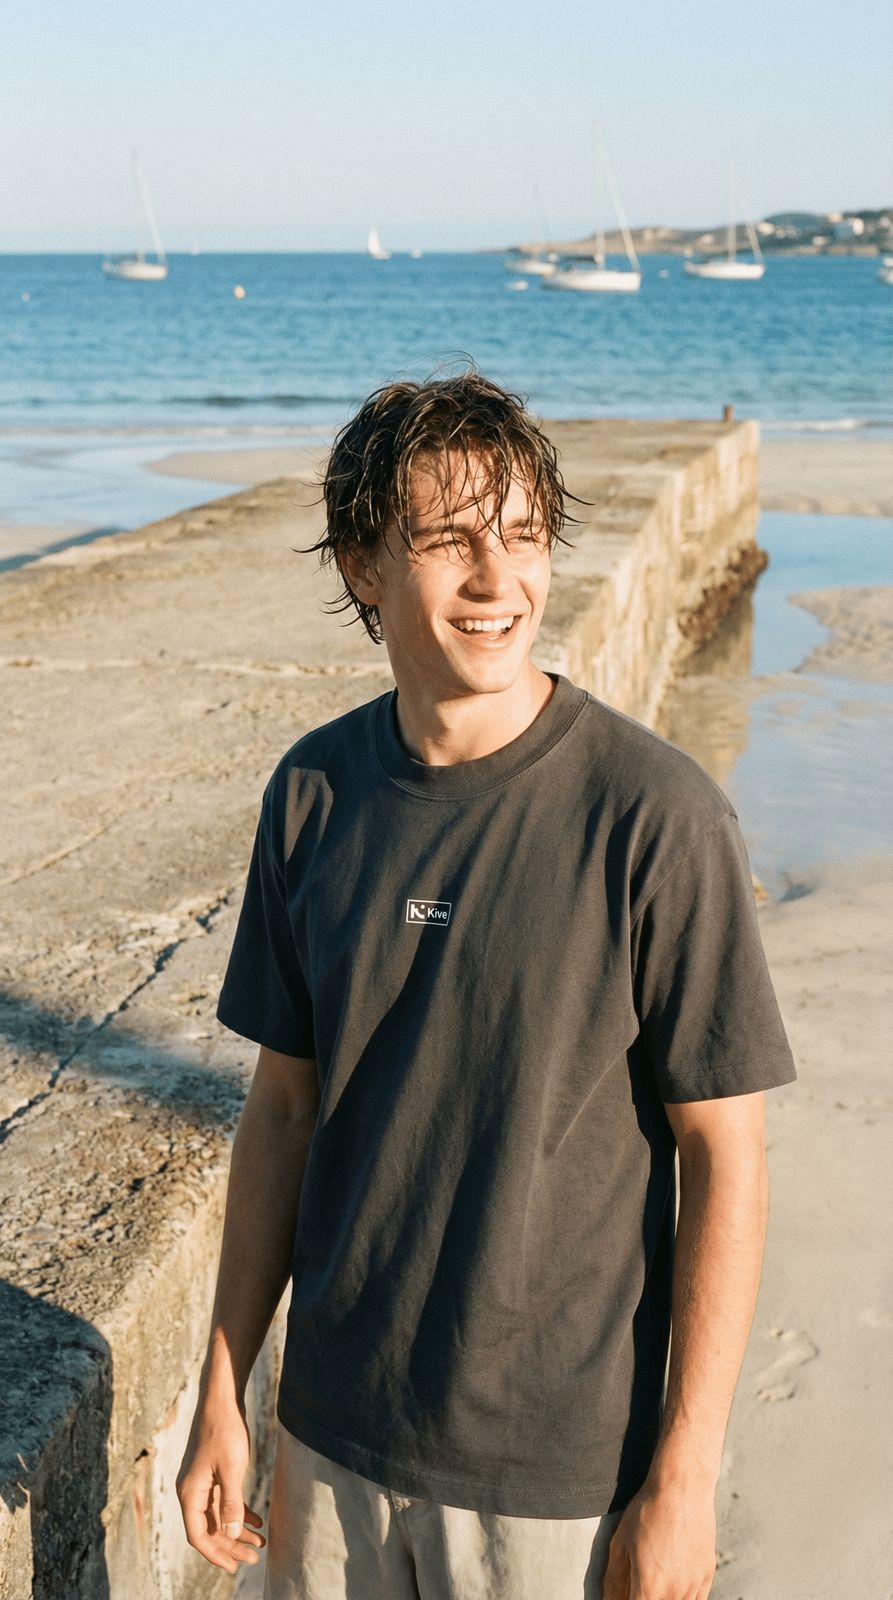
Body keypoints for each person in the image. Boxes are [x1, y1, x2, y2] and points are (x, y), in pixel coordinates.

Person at [176, 371, 797, 1599]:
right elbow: (284, 1109)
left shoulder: (655, 820)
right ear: (362, 565)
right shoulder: (312, 796)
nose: (496, 580)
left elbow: (724, 1154)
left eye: (520, 537)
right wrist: (224, 1386)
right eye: (449, 540)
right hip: (328, 1434)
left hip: (548, 1472)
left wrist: (681, 1478)